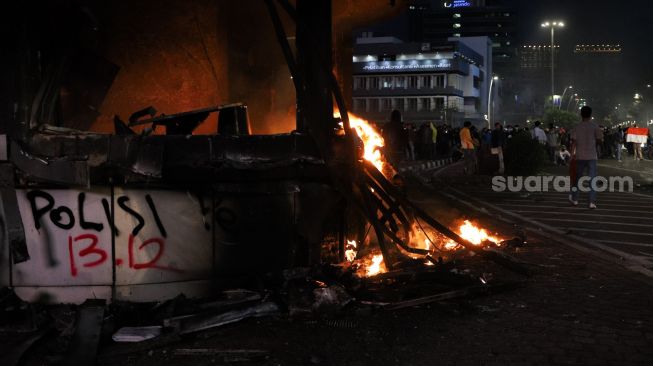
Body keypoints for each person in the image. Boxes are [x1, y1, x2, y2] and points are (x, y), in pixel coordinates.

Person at [569, 106, 603, 209]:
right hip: (592, 156)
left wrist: (571, 155)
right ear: (590, 114)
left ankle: (575, 199)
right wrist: (595, 145)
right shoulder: (595, 127)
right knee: (592, 179)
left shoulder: (577, 127)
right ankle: (591, 202)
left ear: (581, 114)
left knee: (577, 179)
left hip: (580, 156)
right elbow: (599, 140)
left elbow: (574, 143)